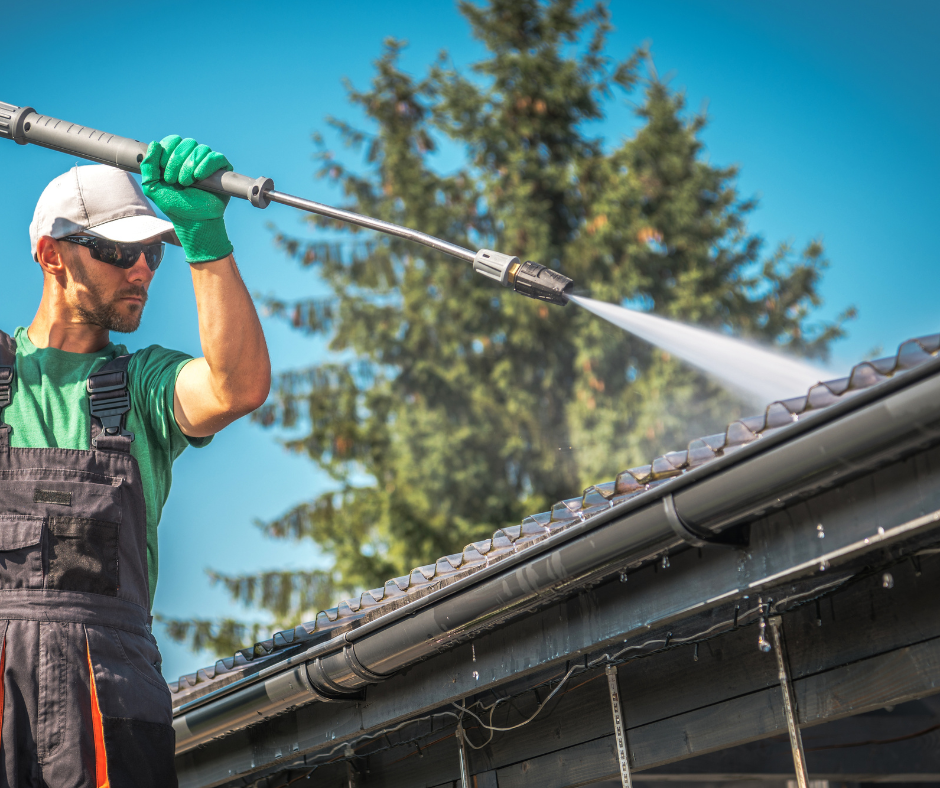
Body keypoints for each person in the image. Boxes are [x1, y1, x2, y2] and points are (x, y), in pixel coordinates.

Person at [0, 136, 271, 787]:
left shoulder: (143, 383)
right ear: (51, 255)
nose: (143, 270)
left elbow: (237, 387)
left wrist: (202, 236)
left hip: (113, 697)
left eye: (152, 252)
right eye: (120, 252)